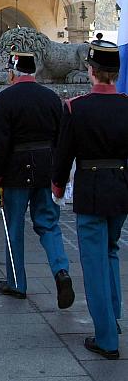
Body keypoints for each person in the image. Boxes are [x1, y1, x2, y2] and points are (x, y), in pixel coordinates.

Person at [52, 39, 128, 359]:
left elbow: (63, 154)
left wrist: (57, 187)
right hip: (122, 187)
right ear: (116, 71)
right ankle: (113, 315)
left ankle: (107, 338)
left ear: (91, 70)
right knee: (110, 251)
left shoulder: (76, 107)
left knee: (94, 262)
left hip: (92, 188)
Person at [0, 49, 73, 307]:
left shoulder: (5, 99)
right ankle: (61, 270)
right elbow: (60, 139)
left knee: (14, 226)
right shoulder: (51, 98)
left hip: (15, 170)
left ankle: (17, 282)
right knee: (48, 223)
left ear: (13, 71)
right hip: (46, 166)